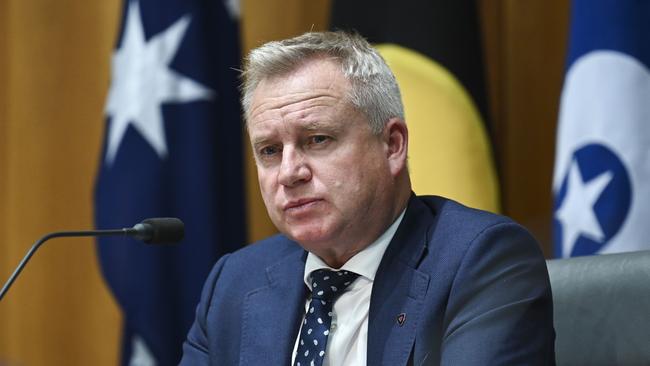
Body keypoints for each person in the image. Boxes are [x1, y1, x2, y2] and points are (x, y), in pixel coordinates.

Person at [180, 31, 555, 365]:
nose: (289, 172)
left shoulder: (481, 262)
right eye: (269, 151)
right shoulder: (234, 282)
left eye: (317, 140)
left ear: (392, 145)